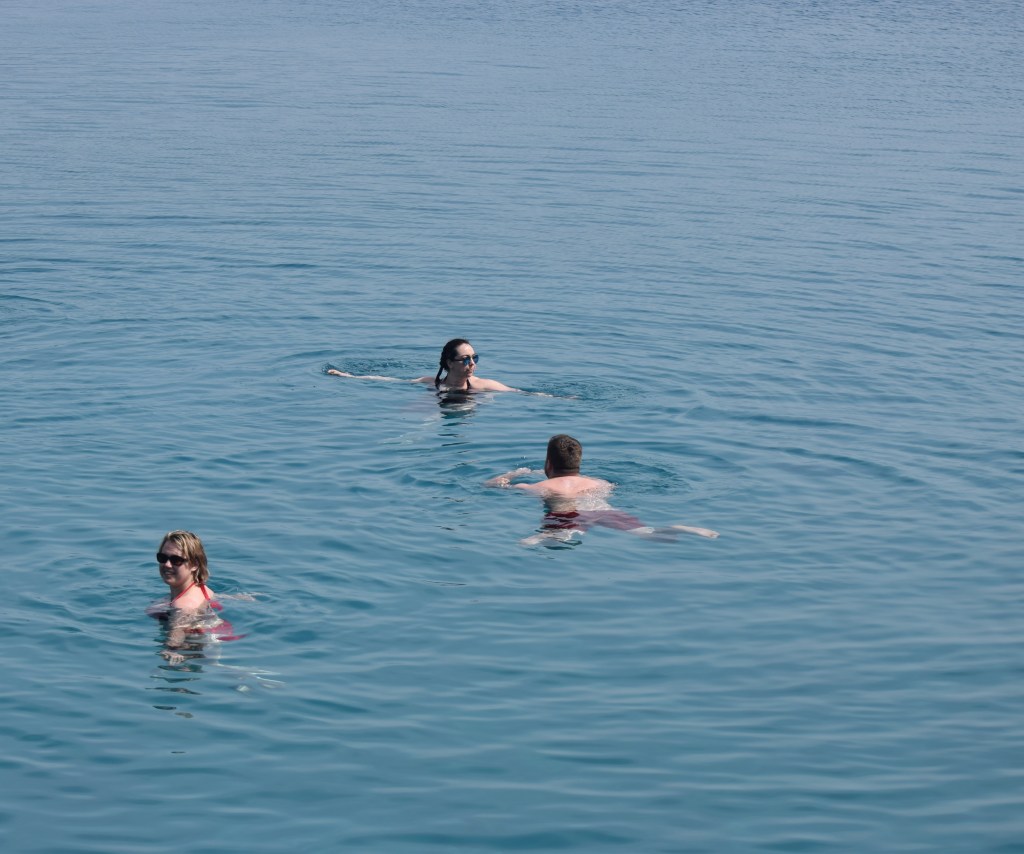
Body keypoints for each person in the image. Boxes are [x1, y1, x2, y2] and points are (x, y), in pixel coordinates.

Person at [486, 434, 719, 544]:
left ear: (548, 464)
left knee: (553, 535)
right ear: (578, 463)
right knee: (646, 533)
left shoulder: (539, 486)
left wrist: (514, 474)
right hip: (604, 511)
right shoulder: (600, 482)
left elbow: (494, 486)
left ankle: (543, 539)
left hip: (568, 515)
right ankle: (678, 529)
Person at [147, 530, 240, 660]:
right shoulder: (201, 588)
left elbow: (178, 628)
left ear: (194, 565)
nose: (167, 565)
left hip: (199, 650)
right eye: (162, 558)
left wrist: (171, 649)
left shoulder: (183, 603)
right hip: (213, 640)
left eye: (176, 560)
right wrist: (240, 597)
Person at [327, 338, 519, 392]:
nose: (472, 364)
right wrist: (347, 376)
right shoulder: (432, 383)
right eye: (466, 359)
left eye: (474, 358)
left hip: (464, 409)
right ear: (450, 363)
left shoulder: (483, 385)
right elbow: (390, 380)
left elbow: (520, 393)